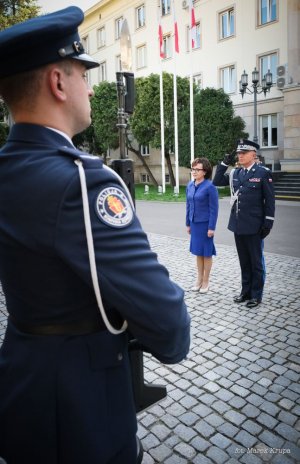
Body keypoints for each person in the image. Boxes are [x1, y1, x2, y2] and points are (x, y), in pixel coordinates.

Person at [0, 7, 190, 464]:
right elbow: (170, 326)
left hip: (23, 386)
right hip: (81, 408)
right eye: (83, 74)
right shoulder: (82, 183)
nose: (89, 87)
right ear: (58, 83)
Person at [213, 139, 275, 308]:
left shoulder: (263, 173)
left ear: (253, 155)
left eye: (243, 153)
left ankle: (256, 295)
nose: (240, 156)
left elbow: (269, 200)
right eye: (239, 153)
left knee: (256, 262)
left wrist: (268, 223)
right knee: (244, 261)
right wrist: (224, 163)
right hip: (238, 225)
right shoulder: (236, 173)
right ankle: (245, 291)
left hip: (255, 226)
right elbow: (216, 181)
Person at [186, 157, 219, 293]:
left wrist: (211, 227)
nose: (194, 171)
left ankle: (206, 281)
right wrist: (188, 223)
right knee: (198, 253)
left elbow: (214, 209)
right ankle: (198, 280)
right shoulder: (190, 185)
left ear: (204, 171)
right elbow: (188, 205)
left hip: (205, 225)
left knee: (206, 253)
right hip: (194, 224)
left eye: (197, 169)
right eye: (193, 169)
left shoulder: (210, 187)